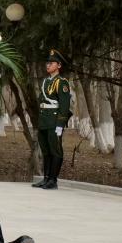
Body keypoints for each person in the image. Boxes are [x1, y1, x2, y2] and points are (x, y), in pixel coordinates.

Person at [34, 49, 72, 190]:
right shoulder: (46, 82)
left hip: (54, 121)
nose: (48, 65)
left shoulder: (62, 83)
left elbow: (64, 105)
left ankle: (53, 180)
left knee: (55, 150)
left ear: (59, 65)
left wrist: (60, 124)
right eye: (47, 63)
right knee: (45, 150)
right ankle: (46, 178)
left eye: (52, 63)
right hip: (44, 121)